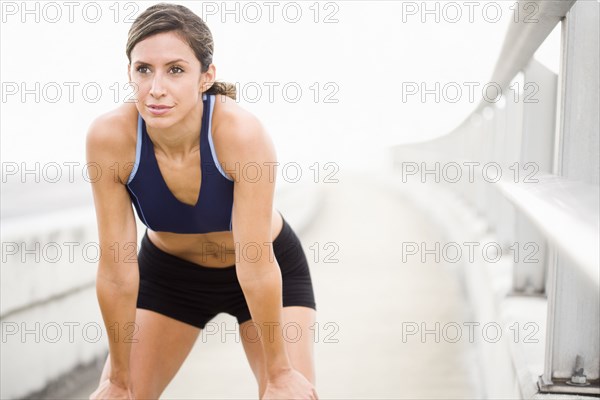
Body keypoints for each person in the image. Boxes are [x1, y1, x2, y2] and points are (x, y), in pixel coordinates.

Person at [86, 3, 318, 399]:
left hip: (261, 268)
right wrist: (118, 380)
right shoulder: (110, 138)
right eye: (144, 69)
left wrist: (279, 373)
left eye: (175, 70)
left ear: (205, 77)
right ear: (130, 73)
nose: (156, 87)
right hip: (170, 276)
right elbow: (116, 271)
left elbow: (256, 264)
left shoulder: (240, 134)